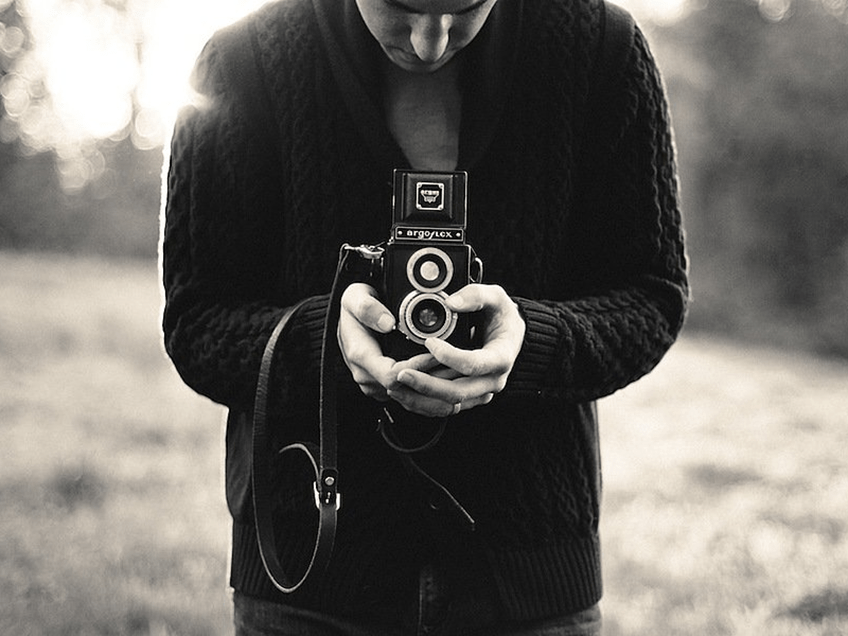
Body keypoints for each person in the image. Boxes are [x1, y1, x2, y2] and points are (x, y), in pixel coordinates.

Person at [160, 0, 689, 634]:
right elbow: (196, 317)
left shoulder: (602, 49)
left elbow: (652, 293)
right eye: (402, 8)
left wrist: (531, 345)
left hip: (528, 574)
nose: (431, 42)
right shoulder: (243, 62)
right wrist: (325, 341)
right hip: (309, 573)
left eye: (466, 8)